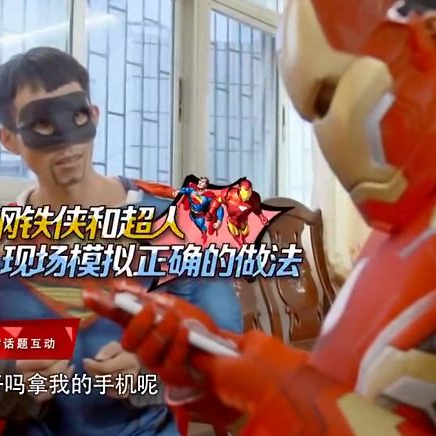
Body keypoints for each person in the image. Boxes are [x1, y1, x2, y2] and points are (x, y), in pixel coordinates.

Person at [85, 0, 436, 434]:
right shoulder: (398, 235)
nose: (329, 133)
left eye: (329, 96)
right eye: (311, 113)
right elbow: (351, 387)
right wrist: (222, 375)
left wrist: (268, 392)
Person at [0, 47, 243, 436]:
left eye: (75, 116)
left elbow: (224, 347)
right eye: (41, 123)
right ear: (9, 139)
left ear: (93, 115)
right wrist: (8, 380)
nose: (66, 142)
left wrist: (151, 374)